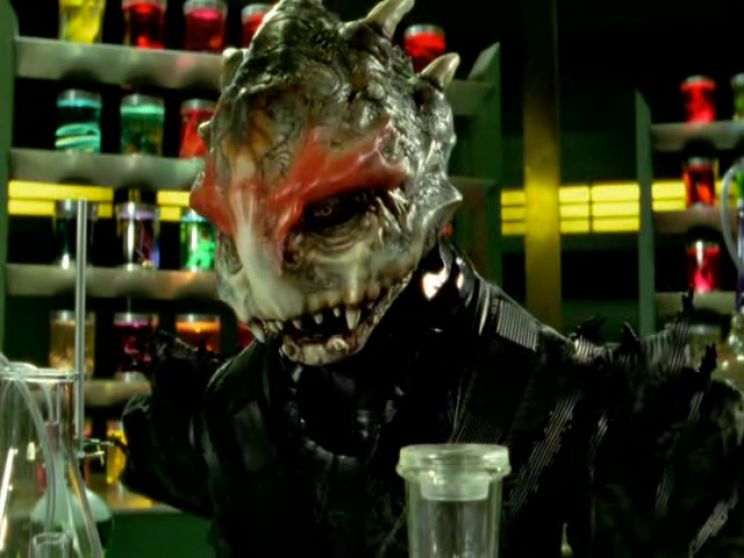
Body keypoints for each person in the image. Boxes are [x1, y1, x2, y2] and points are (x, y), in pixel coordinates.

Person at [122, 0, 744, 555]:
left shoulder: (564, 399)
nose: (268, 280)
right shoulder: (233, 410)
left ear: (419, 191)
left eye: (332, 213)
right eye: (232, 233)